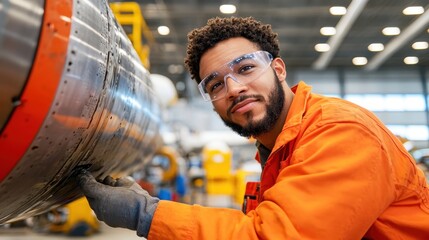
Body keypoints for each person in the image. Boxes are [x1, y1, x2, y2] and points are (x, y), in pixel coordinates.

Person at [78, 16, 429, 239]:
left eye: (245, 68)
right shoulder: (278, 149)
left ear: (278, 70)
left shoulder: (341, 131)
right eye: (215, 85)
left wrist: (147, 215)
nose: (233, 88)